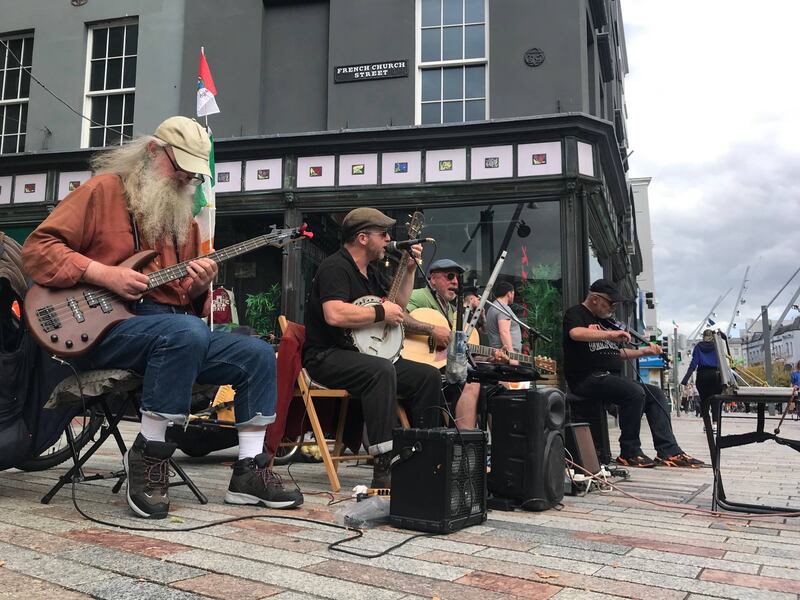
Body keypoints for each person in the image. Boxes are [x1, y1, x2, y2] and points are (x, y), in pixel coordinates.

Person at [21, 116, 303, 518]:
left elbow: (185, 301)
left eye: (193, 174)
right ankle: (150, 453)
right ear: (153, 152)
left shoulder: (182, 221)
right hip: (106, 329)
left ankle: (249, 471)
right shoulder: (102, 191)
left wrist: (200, 287)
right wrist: (105, 274)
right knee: (184, 332)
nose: (188, 177)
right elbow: (38, 248)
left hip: (174, 331)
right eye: (181, 167)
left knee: (255, 352)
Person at [302, 207, 442, 488]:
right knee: (380, 370)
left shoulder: (372, 272)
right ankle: (384, 461)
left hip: (365, 356)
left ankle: (426, 451)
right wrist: (379, 313)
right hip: (327, 356)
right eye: (384, 234)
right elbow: (335, 314)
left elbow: (399, 306)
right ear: (363, 238)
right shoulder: (335, 267)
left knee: (428, 376)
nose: (389, 239)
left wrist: (410, 270)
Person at [562, 279, 703, 468]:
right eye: (610, 303)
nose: (612, 308)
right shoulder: (576, 313)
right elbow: (576, 333)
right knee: (634, 392)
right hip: (587, 378)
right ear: (595, 298)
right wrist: (611, 334)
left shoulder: (605, 323)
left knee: (656, 393)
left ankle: (668, 450)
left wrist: (644, 351)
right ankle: (629, 451)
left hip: (609, 378)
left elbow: (615, 354)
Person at [405, 259, 488, 430]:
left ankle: (492, 448)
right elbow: (399, 319)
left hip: (444, 368)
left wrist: (491, 356)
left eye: (457, 278)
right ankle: (464, 445)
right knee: (472, 380)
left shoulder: (450, 310)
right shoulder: (420, 295)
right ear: (433, 280)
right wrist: (431, 330)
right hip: (422, 367)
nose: (455, 282)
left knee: (493, 381)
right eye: (450, 276)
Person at [681, 329, 722, 426]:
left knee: (704, 401)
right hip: (715, 375)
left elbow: (693, 363)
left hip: (702, 376)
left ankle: (706, 425)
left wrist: (685, 379)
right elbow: (722, 363)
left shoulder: (698, 347)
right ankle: (715, 424)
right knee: (715, 401)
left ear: (703, 336)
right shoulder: (717, 346)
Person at [484, 281, 522, 353]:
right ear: (509, 294)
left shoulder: (492, 307)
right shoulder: (503, 308)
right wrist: (512, 356)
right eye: (513, 293)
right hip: (506, 355)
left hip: (499, 354)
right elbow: (504, 332)